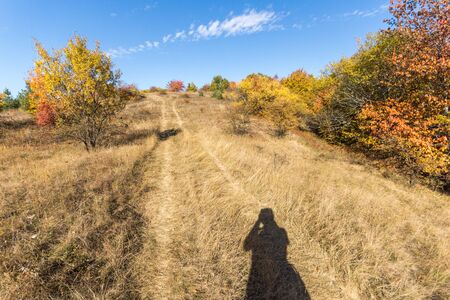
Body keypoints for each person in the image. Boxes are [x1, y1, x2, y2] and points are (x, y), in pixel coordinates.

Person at [244, 208, 309, 300]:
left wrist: (257, 223)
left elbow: (246, 246)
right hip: (280, 269)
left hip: (265, 271)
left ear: (262, 219)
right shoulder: (281, 232)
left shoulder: (261, 234)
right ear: (272, 218)